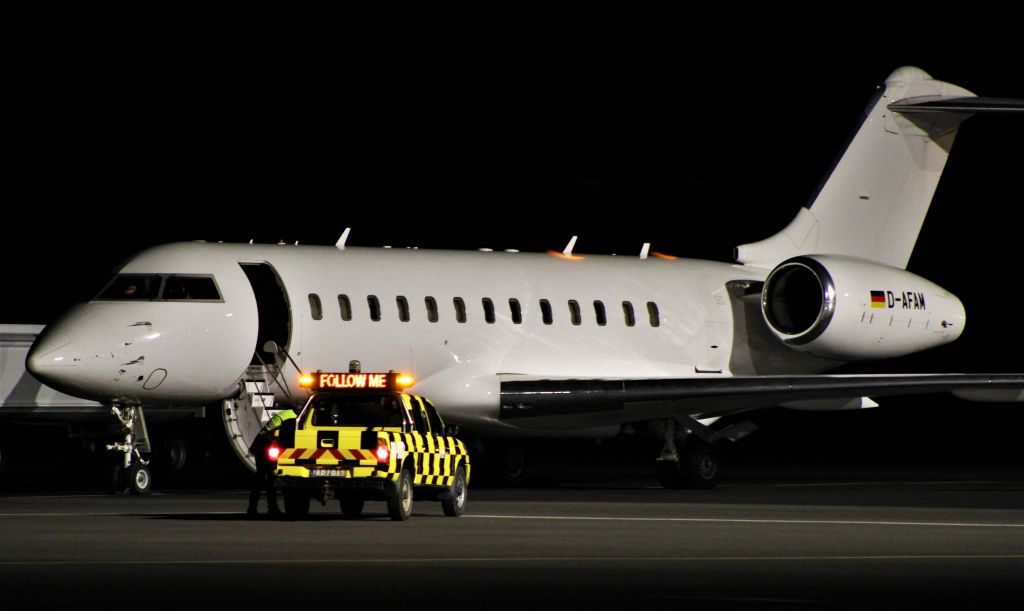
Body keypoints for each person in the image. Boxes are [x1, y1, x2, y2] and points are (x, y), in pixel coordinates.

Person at [246, 407, 297, 518]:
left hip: (265, 445)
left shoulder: (288, 415)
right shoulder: (291, 417)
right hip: (264, 445)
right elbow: (270, 434)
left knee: (265, 479)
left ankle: (257, 508)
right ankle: (264, 509)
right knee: (266, 478)